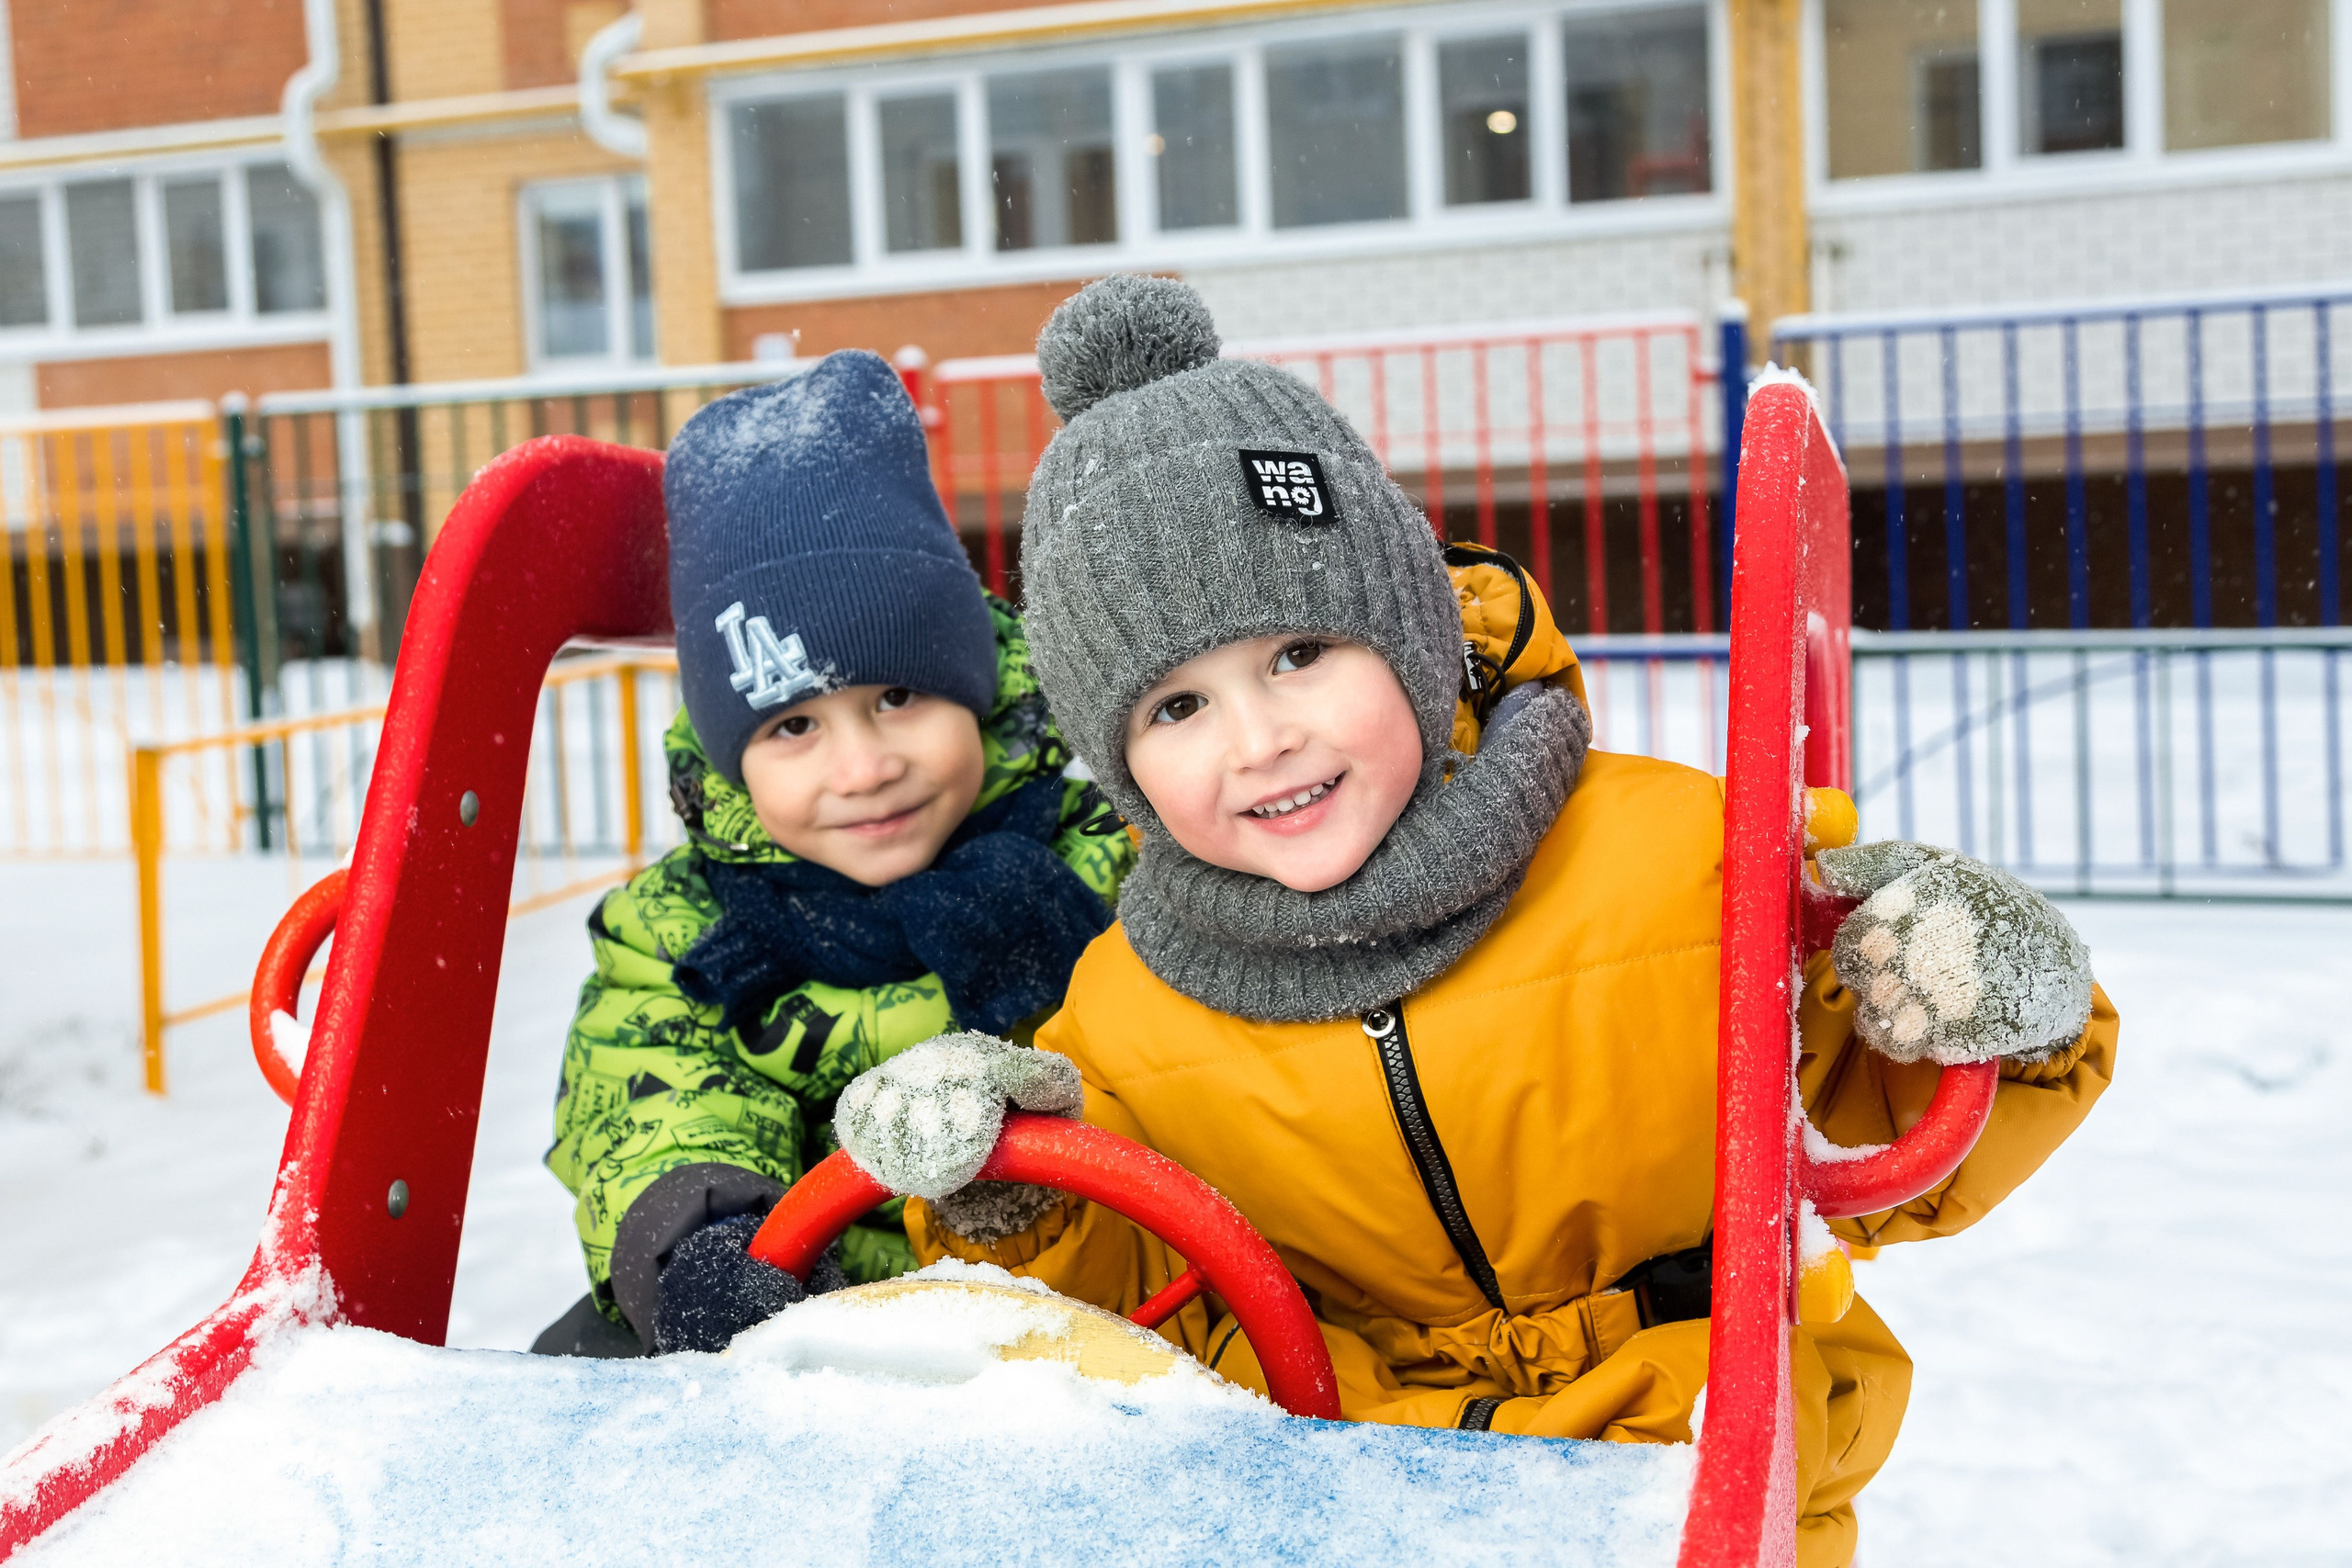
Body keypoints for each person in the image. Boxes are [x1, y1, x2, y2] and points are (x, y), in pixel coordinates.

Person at [826, 276, 2118, 1568]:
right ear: (1123, 771)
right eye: (1176, 708)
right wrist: (1007, 1197)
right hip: (1335, 1499)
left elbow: (1885, 1140)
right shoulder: (1127, 1004)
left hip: (1684, 1471)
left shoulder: (1681, 857)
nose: (1261, 737)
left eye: (1298, 653)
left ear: (1410, 629)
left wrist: (1981, 999)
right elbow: (1114, 1300)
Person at [534, 349, 1133, 1359]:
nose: (862, 769)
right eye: (793, 729)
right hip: (822, 1331)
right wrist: (712, 1240)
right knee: (583, 1356)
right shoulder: (687, 934)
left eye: (897, 699)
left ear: (977, 695)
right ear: (734, 761)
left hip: (1098, 1308)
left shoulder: (1101, 864)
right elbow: (658, 1097)